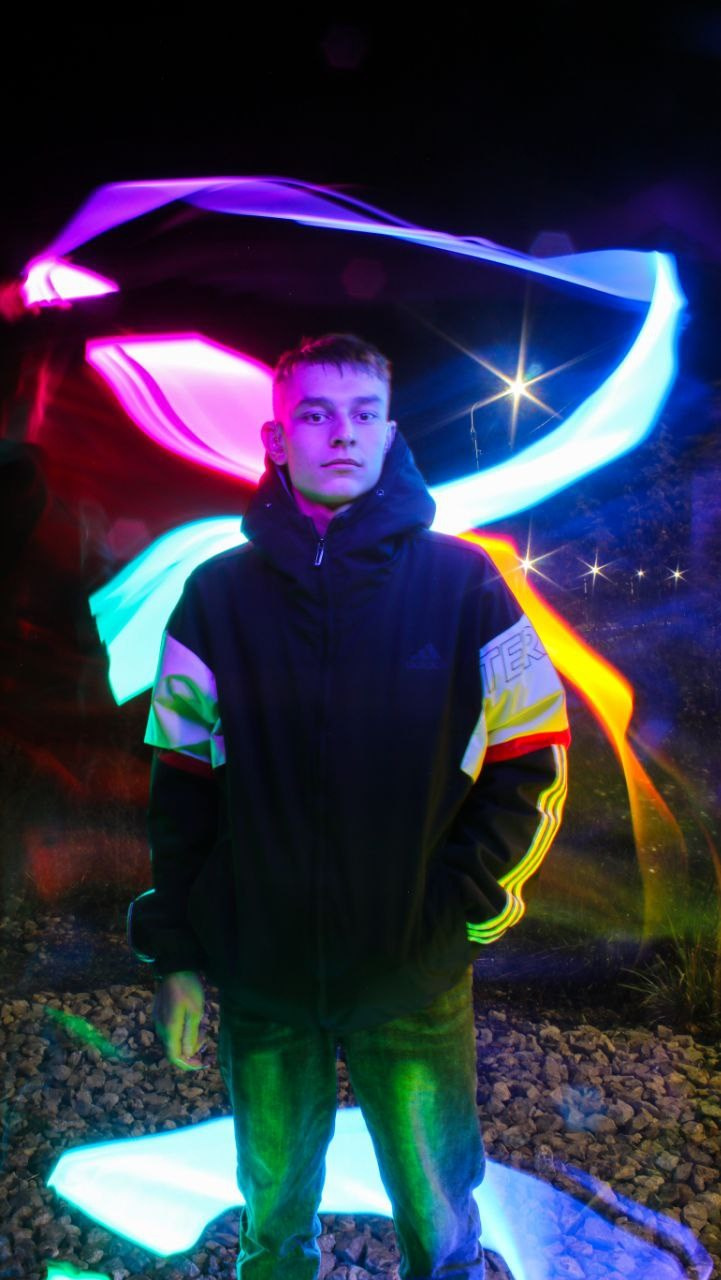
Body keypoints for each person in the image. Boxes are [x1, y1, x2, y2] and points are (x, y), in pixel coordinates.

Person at [129, 333, 570, 1280]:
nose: (343, 433)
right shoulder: (214, 598)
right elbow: (181, 786)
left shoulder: (465, 585)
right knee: (272, 1230)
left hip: (410, 970)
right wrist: (179, 954)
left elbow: (532, 751)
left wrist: (462, 907)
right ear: (276, 437)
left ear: (389, 433)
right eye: (317, 414)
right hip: (264, 975)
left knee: (441, 1236)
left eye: (364, 413)